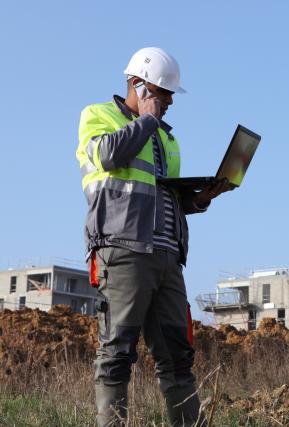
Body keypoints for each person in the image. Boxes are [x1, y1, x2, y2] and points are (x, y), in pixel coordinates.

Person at [76, 47, 231, 426]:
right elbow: (109, 156)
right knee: (116, 353)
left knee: (178, 357)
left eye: (169, 95)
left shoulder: (167, 139)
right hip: (123, 251)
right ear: (137, 85)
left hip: (167, 257)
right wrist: (145, 121)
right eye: (161, 93)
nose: (168, 102)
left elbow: (163, 195)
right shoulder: (99, 116)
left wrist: (199, 200)